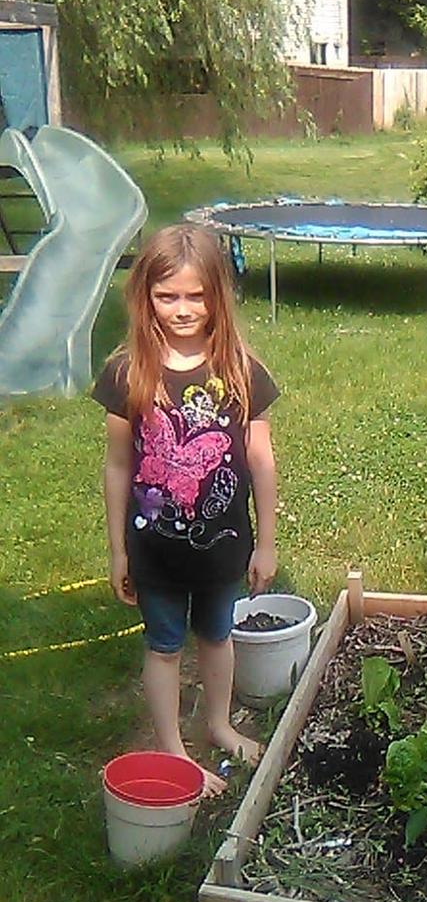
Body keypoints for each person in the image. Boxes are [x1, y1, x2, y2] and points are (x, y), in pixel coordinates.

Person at [92, 224, 279, 796]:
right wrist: (119, 548)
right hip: (155, 550)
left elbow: (262, 460)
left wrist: (266, 542)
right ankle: (174, 750)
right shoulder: (128, 372)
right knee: (165, 645)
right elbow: (118, 465)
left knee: (218, 637)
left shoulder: (243, 371)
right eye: (167, 295)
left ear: (217, 295)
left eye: (195, 296)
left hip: (224, 546)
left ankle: (219, 725)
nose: (182, 309)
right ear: (144, 295)